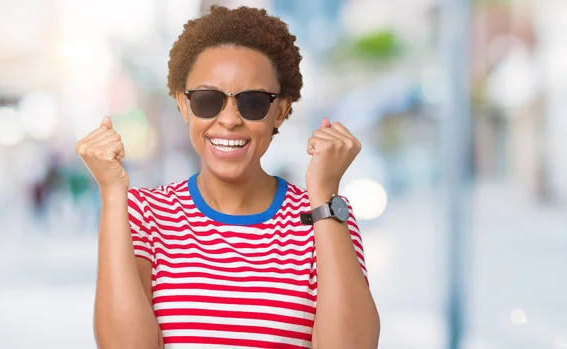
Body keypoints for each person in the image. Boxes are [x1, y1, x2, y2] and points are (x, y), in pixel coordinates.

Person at [76, 5, 379, 349]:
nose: (230, 119)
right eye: (208, 101)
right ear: (183, 105)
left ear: (279, 111)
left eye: (252, 103)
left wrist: (324, 194)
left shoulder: (325, 215)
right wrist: (113, 194)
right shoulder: (144, 214)